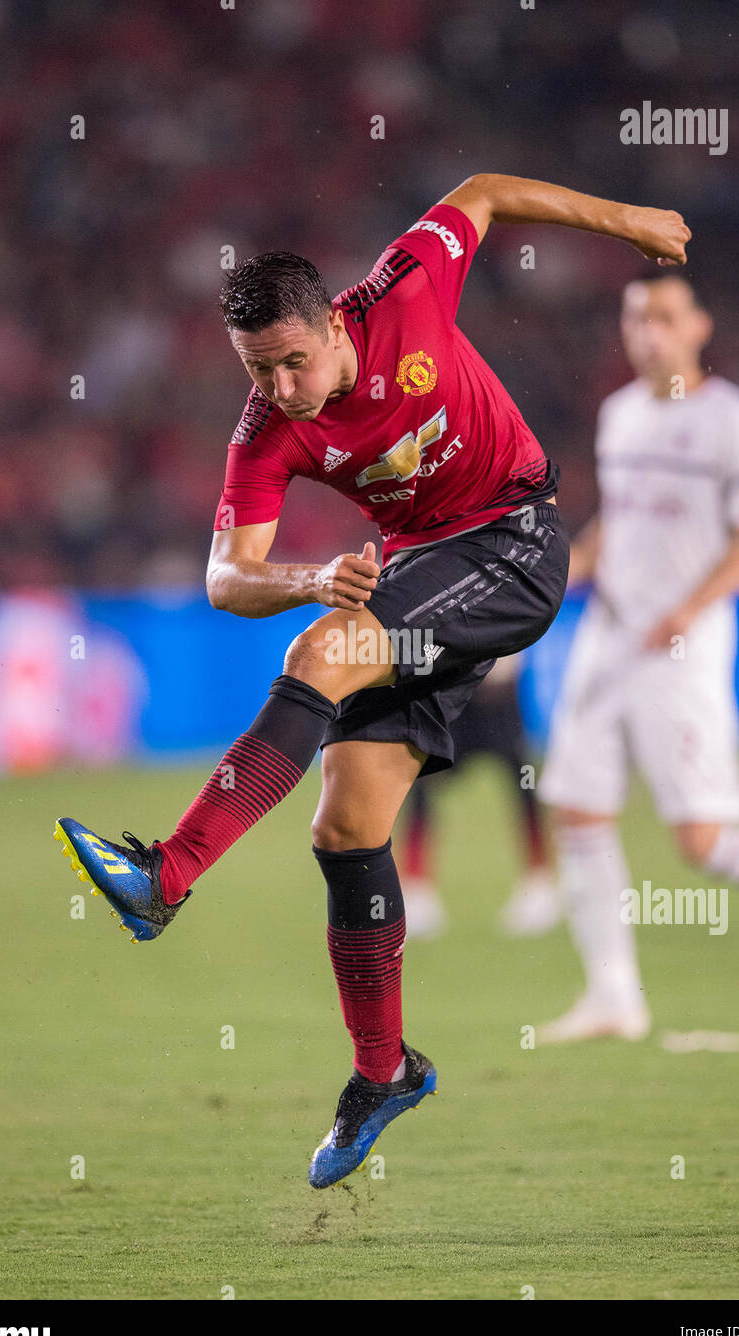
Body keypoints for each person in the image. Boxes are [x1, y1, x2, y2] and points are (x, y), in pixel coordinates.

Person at [53, 175, 690, 1185]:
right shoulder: (264, 428)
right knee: (345, 825)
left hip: (516, 544)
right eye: (256, 370)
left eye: (292, 363)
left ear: (333, 327)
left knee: (318, 655)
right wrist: (309, 576)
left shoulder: (403, 288)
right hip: (422, 576)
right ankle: (385, 1070)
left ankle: (168, 874)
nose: (277, 388)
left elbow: (483, 192)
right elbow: (226, 578)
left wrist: (633, 220)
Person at [537, 275, 739, 1042]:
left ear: (699, 325)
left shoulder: (732, 420)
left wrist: (688, 607)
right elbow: (620, 521)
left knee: (702, 841)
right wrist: (570, 569)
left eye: (665, 317)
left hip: (679, 647)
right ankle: (615, 994)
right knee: (579, 806)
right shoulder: (620, 415)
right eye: (637, 317)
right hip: (609, 636)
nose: (650, 332)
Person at [399, 653, 561, 939]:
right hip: (450, 692)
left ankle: (540, 884)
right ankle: (415, 890)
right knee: (423, 780)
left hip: (500, 692)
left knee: (523, 784)